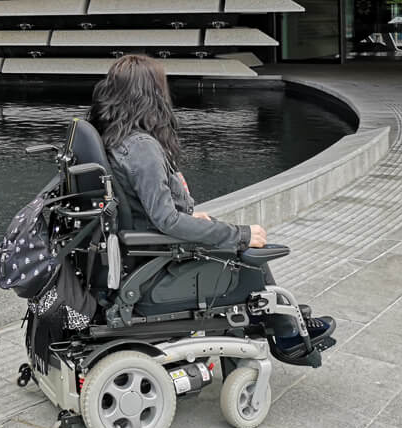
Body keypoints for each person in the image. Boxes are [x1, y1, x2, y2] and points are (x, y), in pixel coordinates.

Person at [87, 53, 334, 357]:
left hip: (142, 244)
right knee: (247, 247)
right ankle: (284, 332)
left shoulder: (114, 137)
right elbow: (167, 222)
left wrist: (191, 216)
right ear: (150, 95)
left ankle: (284, 327)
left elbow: (156, 212)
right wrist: (238, 234)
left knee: (235, 238)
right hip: (156, 254)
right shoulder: (142, 148)